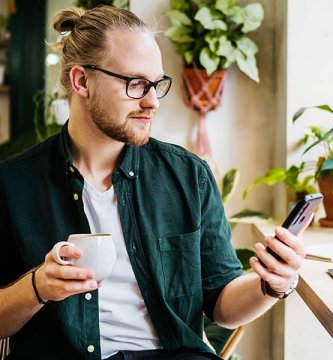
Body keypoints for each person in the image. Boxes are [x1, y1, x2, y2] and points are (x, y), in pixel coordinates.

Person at [0, 6, 306, 360]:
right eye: (135, 84)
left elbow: (222, 306)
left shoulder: (189, 175)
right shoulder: (14, 183)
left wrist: (272, 284)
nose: (152, 101)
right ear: (81, 81)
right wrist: (38, 286)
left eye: (157, 84)